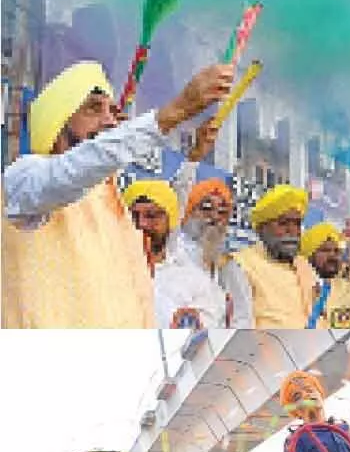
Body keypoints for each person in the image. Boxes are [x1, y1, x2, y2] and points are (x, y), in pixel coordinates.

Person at [1, 61, 232, 327]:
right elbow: (71, 170)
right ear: (59, 119)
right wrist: (173, 113)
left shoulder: (114, 206)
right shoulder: (23, 180)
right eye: (93, 108)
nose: (110, 121)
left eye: (112, 111)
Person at [153, 175, 243, 328]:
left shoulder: (228, 266)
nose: (214, 217)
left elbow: (242, 318)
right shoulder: (172, 252)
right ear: (188, 213)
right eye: (206, 209)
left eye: (222, 212)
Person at [225, 185, 321, 328]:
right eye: (283, 223)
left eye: (297, 223)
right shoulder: (241, 264)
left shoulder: (304, 267)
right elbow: (240, 325)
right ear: (261, 229)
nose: (292, 230)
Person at [122, 180, 179, 274]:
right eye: (133, 216)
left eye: (151, 215)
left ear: (170, 221)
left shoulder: (189, 276)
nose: (141, 223)